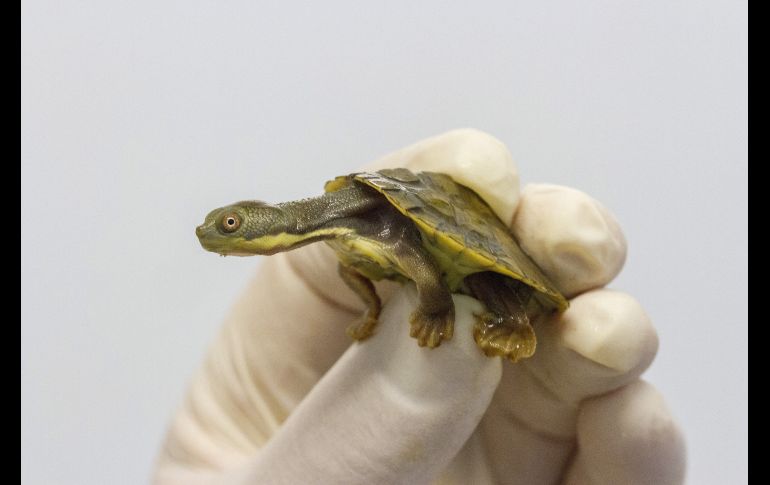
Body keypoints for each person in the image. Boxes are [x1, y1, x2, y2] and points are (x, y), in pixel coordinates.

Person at [154, 129, 686, 484]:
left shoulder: (366, 220)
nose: (219, 235)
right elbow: (352, 268)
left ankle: (516, 322)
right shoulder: (340, 236)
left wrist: (435, 310)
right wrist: (370, 310)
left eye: (229, 227)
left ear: (263, 218)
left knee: (505, 294)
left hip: (468, 257)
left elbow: (418, 261)